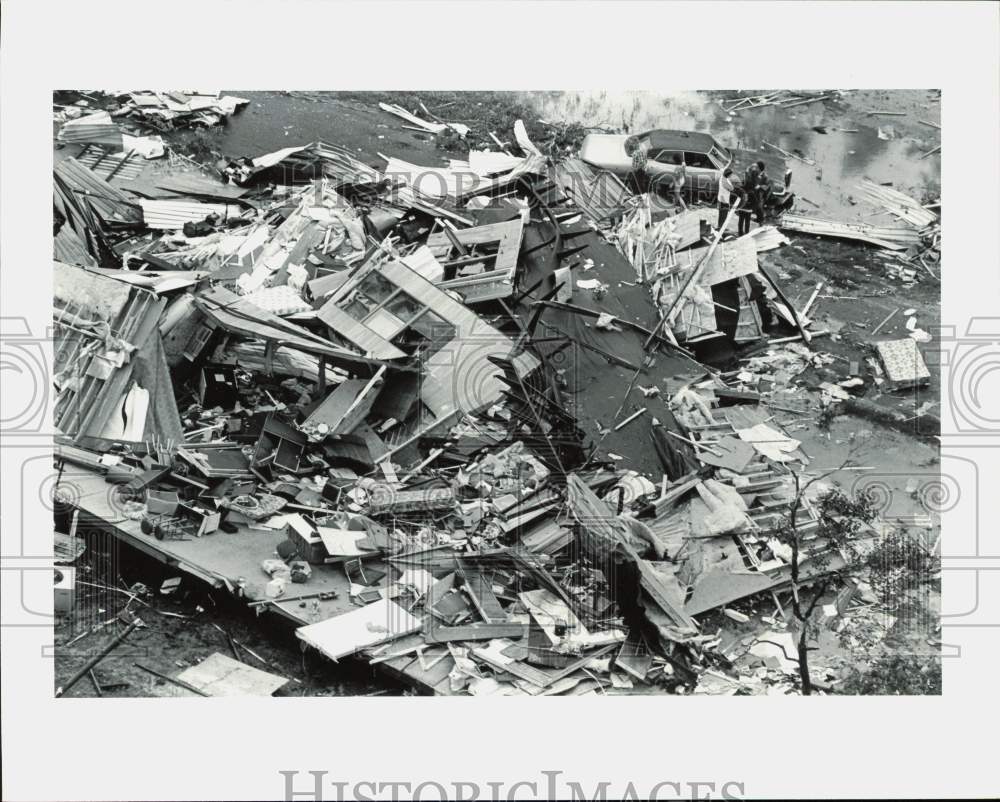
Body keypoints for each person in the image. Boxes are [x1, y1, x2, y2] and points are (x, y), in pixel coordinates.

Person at [753, 160, 769, 225]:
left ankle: (761, 220)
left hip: (761, 194)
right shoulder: (755, 174)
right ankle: (758, 218)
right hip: (754, 192)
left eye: (756, 167)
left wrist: (759, 186)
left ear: (760, 168)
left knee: (759, 207)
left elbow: (766, 186)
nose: (755, 168)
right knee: (755, 206)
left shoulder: (765, 176)